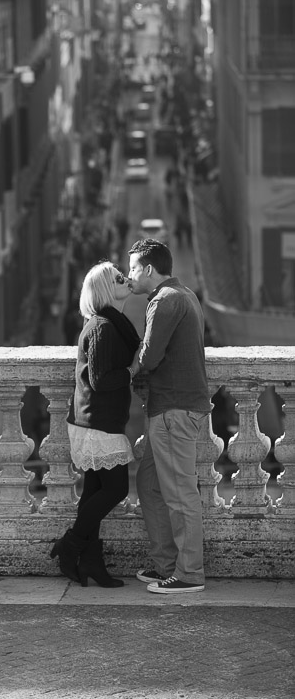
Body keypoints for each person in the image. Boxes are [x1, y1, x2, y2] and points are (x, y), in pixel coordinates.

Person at [126, 239, 211, 594]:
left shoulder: (163, 301)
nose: (129, 275)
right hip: (169, 408)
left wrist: (125, 374)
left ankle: (189, 573)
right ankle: (166, 565)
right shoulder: (186, 295)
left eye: (132, 268)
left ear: (148, 269)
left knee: (179, 495)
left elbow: (149, 356)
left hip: (174, 410)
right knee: (149, 485)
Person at [51, 261, 140, 587]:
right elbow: (102, 379)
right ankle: (69, 546)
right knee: (116, 489)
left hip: (94, 420)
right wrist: (133, 371)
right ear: (105, 289)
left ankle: (90, 562)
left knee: (94, 492)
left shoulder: (106, 323)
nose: (126, 278)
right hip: (97, 423)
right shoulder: (103, 326)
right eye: (118, 277)